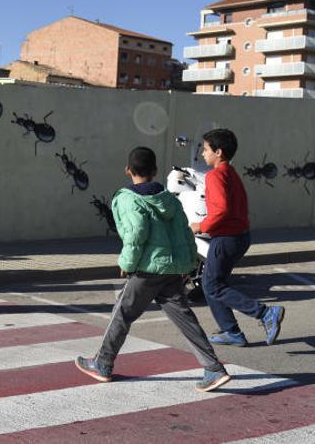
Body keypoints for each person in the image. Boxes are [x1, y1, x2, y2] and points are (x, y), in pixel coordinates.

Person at [75, 147, 231, 393]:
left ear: (128, 170)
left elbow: (135, 234)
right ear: (156, 171)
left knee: (122, 313)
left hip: (147, 268)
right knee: (184, 318)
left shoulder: (128, 198)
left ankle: (102, 363)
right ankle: (213, 368)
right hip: (172, 268)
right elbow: (184, 231)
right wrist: (190, 261)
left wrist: (127, 264)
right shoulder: (168, 197)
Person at [190, 129, 285, 346]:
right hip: (239, 236)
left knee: (212, 285)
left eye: (206, 150)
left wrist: (200, 226)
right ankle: (231, 332)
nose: (203, 154)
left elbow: (222, 209)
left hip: (225, 239)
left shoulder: (214, 175)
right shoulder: (231, 173)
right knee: (212, 283)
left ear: (219, 152)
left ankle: (265, 313)